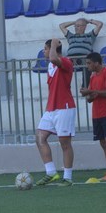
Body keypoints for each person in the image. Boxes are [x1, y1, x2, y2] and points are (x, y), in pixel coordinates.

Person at [35, 38, 76, 187]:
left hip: (64, 108)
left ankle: (68, 177)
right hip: (51, 108)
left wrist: (53, 44)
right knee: (40, 137)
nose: (44, 51)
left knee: (65, 143)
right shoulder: (51, 66)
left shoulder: (65, 61)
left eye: (45, 48)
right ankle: (51, 172)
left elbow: (53, 57)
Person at [80, 52, 106, 182]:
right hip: (96, 114)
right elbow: (91, 99)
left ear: (96, 63)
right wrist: (87, 95)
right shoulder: (93, 77)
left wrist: (92, 92)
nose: (87, 66)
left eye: (89, 63)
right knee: (103, 143)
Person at [59, 17, 104, 87]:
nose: (76, 28)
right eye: (75, 26)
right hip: (71, 58)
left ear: (84, 27)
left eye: (78, 26)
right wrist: (74, 22)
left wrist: (88, 21)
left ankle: (85, 88)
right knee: (60, 65)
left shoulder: (90, 35)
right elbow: (61, 26)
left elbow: (100, 24)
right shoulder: (70, 36)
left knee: (88, 64)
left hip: (85, 58)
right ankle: (63, 87)